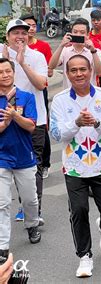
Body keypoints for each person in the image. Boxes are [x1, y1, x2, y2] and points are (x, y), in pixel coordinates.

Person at [50, 55, 101, 278]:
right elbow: (56, 134)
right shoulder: (60, 100)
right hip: (74, 167)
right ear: (67, 73)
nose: (79, 74)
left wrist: (98, 124)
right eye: (73, 70)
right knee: (79, 211)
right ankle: (84, 256)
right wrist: (76, 124)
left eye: (83, 69)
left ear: (91, 70)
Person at [1, 19, 48, 225]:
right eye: (15, 33)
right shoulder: (0, 54)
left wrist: (21, 62)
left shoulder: (36, 56)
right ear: (7, 36)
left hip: (33, 119)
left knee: (33, 166)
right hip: (3, 117)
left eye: (24, 32)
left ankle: (32, 209)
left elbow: (41, 84)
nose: (20, 36)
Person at [0, 57, 41, 249]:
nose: (5, 75)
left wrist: (15, 116)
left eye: (8, 71)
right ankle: (3, 246)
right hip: (2, 158)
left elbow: (31, 126)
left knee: (29, 199)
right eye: (0, 72)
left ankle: (32, 224)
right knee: (2, 203)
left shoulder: (26, 96)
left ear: (13, 72)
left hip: (24, 156)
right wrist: (5, 124)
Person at [49, 18, 101, 89]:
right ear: (71, 33)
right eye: (75, 32)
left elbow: (99, 72)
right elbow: (51, 66)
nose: (78, 34)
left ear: (88, 35)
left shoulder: (95, 52)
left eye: (82, 32)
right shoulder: (65, 50)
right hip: (69, 94)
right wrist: (61, 45)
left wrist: (93, 51)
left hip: (89, 94)